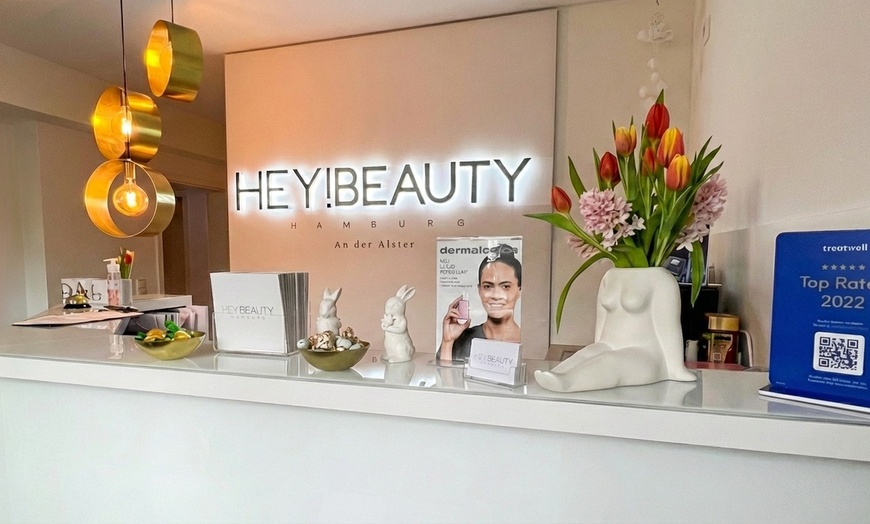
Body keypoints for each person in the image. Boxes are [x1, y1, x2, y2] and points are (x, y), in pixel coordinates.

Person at [437, 244, 522, 362]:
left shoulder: (526, 341)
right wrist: (448, 342)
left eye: (505, 286)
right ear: (479, 290)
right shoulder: (463, 338)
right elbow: (443, 374)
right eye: (488, 286)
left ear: (519, 290)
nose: (496, 295)